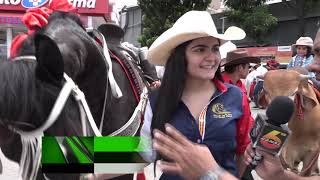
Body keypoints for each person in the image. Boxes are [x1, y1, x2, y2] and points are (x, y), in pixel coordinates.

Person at [139, 10, 250, 179]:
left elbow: (243, 152)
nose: (212, 57)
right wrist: (85, 155)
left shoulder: (236, 95)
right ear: (179, 56)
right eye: (200, 50)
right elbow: (144, 151)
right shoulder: (156, 99)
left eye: (215, 49)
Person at [97, 22, 161, 88]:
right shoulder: (128, 48)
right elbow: (143, 51)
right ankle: (153, 80)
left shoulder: (126, 48)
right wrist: (153, 79)